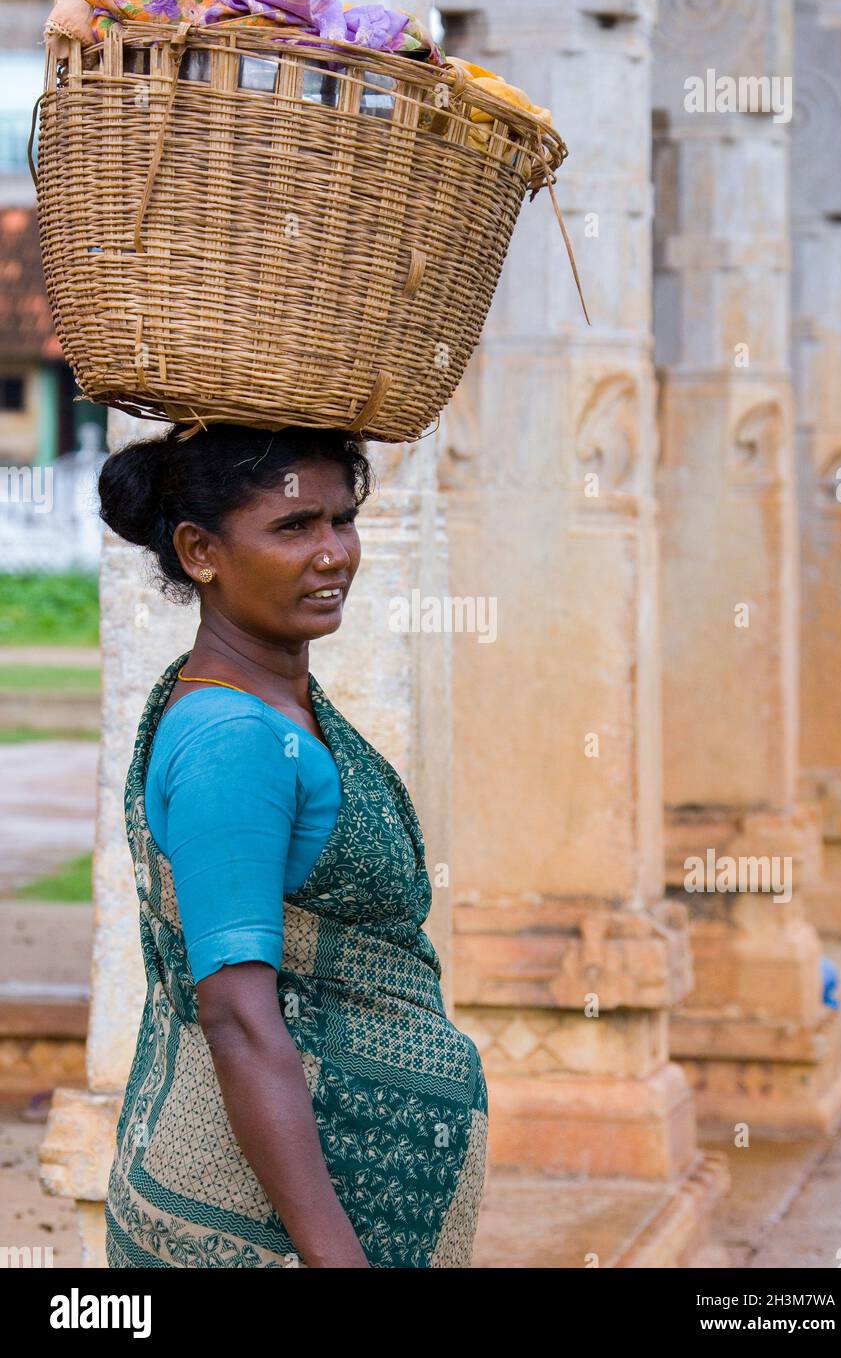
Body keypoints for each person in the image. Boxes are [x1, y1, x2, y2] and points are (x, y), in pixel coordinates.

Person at [96, 422, 488, 1269]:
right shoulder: (232, 740)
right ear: (200, 551)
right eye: (293, 526)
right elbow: (237, 1015)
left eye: (341, 520)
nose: (333, 553)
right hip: (257, 1230)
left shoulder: (279, 703)